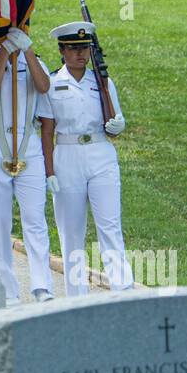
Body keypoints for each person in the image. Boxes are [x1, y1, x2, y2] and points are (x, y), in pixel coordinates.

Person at [43, 21, 131, 296]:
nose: (80, 54)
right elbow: (47, 130)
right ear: (62, 50)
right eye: (74, 48)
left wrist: (119, 125)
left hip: (100, 153)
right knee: (71, 232)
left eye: (85, 48)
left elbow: (113, 119)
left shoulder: (102, 82)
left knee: (110, 226)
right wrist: (49, 172)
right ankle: (76, 296)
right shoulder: (53, 83)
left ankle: (123, 288)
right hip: (67, 155)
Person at [0, 27, 54, 303]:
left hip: (27, 143)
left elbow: (44, 86)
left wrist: (28, 51)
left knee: (35, 218)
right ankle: (6, 288)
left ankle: (42, 285)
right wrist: (4, 53)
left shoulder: (35, 60)